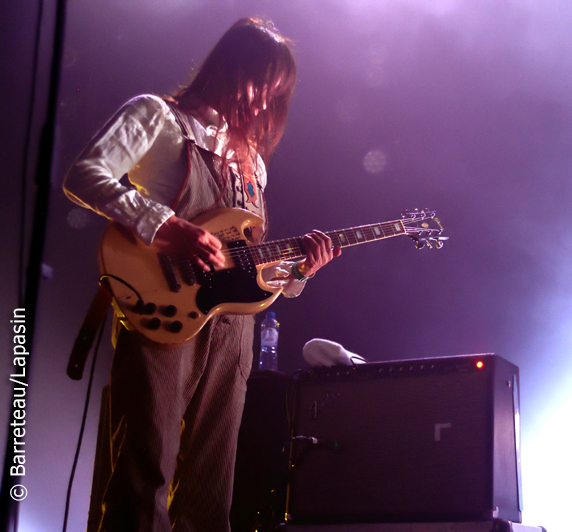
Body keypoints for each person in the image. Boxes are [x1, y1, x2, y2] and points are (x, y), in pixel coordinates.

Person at [63, 18, 340, 532]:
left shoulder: (254, 163)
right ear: (232, 69)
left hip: (233, 331)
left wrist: (298, 270)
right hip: (162, 311)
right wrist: (164, 225)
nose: (265, 102)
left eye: (278, 93)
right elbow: (85, 174)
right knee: (142, 474)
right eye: (262, 84)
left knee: (213, 490)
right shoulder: (158, 116)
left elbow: (245, 263)